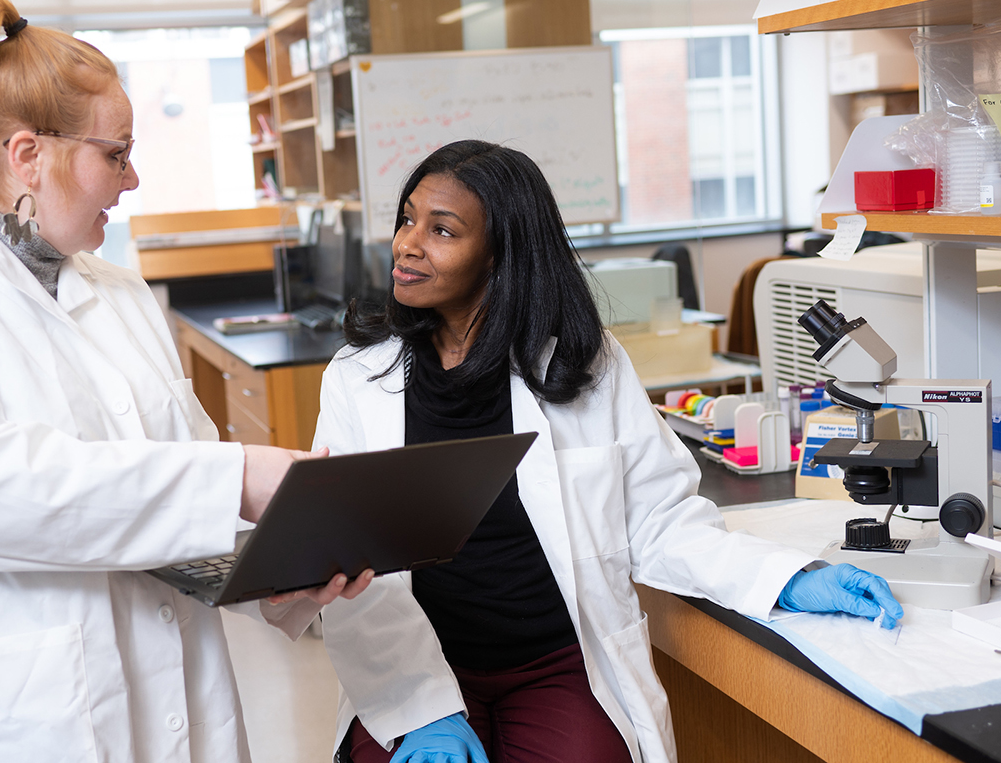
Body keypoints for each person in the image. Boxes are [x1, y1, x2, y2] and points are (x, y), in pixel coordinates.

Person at [0, 0, 371, 763]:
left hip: (186, 708)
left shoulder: (119, 292)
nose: (132, 181)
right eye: (116, 155)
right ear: (28, 155)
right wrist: (236, 477)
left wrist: (273, 572)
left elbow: (171, 519)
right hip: (27, 719)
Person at [313, 140, 903, 763]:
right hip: (413, 661)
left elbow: (658, 520)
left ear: (500, 257)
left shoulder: (581, 365)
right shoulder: (359, 378)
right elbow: (351, 563)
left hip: (557, 660)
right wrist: (418, 712)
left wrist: (787, 579)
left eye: (442, 230)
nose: (407, 243)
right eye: (408, 218)